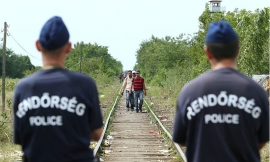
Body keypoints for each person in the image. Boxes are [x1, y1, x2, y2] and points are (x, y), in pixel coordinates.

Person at [172, 20, 269, 162]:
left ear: (208, 52)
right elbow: (261, 140)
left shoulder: (190, 91)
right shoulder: (256, 91)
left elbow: (181, 139)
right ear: (238, 50)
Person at [12, 16, 103, 162]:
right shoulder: (85, 84)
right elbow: (97, 134)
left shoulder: (23, 87)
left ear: (38, 45)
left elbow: (20, 137)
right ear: (68, 47)